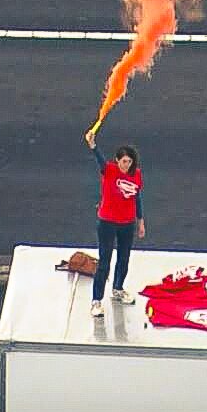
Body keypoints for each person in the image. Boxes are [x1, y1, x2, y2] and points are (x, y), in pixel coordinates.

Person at [83, 132, 146, 319]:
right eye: (124, 161)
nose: (127, 165)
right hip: (108, 223)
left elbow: (137, 198)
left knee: (124, 259)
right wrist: (93, 144)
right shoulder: (109, 170)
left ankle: (118, 289)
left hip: (127, 223)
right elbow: (99, 159)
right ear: (117, 161)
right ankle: (96, 300)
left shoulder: (137, 175)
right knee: (104, 262)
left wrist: (140, 221)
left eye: (129, 162)